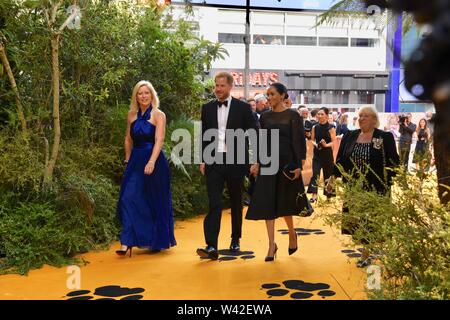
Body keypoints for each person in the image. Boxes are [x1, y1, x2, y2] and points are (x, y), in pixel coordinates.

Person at [197, 72, 259, 260]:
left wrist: (255, 159)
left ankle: (235, 238)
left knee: (235, 201)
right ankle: (211, 245)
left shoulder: (243, 108)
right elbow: (203, 134)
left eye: (221, 86)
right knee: (214, 203)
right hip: (214, 161)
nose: (217, 89)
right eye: (216, 85)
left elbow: (254, 132)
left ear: (230, 86)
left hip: (236, 161)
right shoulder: (207, 108)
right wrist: (202, 158)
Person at [332, 106, 400, 267]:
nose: (362, 119)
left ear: (374, 119)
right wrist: (334, 176)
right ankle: (369, 249)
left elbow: (394, 162)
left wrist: (386, 181)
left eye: (366, 116)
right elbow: (341, 159)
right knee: (358, 220)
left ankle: (366, 254)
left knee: (372, 220)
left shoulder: (384, 137)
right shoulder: (351, 135)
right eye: (360, 116)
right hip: (354, 186)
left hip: (375, 186)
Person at [246, 82, 307, 261]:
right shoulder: (264, 117)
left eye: (273, 94)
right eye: (268, 95)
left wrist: (298, 165)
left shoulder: (293, 116)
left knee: (285, 201)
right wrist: (257, 162)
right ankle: (271, 245)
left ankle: (291, 232)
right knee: (267, 203)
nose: (270, 98)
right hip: (267, 162)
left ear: (282, 95)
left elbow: (298, 142)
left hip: (286, 163)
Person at [116, 80, 176, 257]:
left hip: (154, 161)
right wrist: (128, 159)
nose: (143, 96)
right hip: (135, 161)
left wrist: (151, 162)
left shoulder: (159, 115)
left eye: (146, 93)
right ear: (136, 96)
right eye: (140, 93)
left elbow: (159, 140)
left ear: (152, 95)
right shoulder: (131, 115)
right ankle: (127, 241)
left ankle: (154, 240)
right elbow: (128, 139)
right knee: (128, 198)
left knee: (153, 200)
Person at [307, 107, 336, 203]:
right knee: (315, 174)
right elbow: (312, 140)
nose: (319, 115)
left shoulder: (331, 128)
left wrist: (326, 145)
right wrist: (316, 144)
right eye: (318, 114)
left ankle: (329, 196)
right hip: (317, 154)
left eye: (322, 114)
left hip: (327, 155)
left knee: (328, 175)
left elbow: (334, 142)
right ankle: (314, 195)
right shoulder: (314, 127)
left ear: (327, 116)